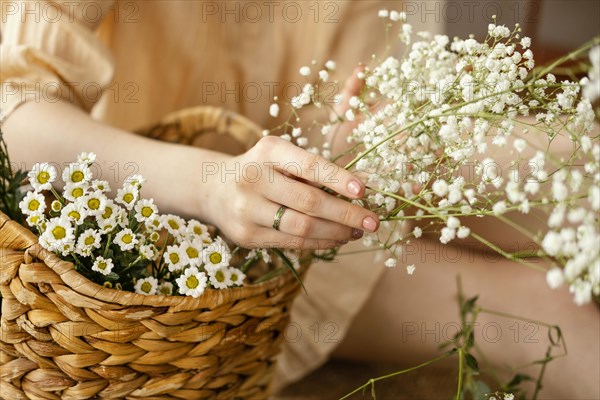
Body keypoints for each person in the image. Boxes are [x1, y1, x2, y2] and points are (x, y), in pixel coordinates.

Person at [1, 1, 598, 398]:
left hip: (328, 195)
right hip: (176, 251)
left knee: (581, 167)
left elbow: (355, 87)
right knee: (557, 320)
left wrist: (350, 135)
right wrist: (212, 184)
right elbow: (14, 116)